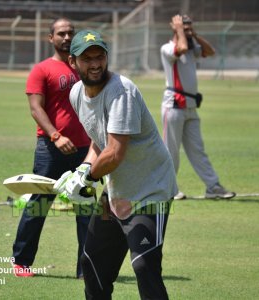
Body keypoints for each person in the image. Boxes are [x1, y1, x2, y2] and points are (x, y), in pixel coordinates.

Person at [55, 29, 178, 300]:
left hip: (150, 189)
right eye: (87, 59)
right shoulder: (77, 93)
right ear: (72, 62)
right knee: (92, 262)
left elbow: (115, 152)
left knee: (145, 265)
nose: (95, 63)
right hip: (117, 190)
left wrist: (86, 177)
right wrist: (83, 169)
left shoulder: (121, 92)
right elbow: (99, 140)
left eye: (100, 56)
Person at [11, 18, 91, 279]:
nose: (67, 37)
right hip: (51, 148)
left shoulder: (85, 67)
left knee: (86, 208)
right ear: (51, 38)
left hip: (85, 150)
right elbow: (36, 108)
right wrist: (56, 136)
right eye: (61, 34)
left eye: (70, 33)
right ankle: (21, 262)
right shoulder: (42, 69)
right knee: (39, 205)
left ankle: (87, 267)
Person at [160, 14, 236, 200]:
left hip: (191, 106)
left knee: (197, 150)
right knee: (171, 151)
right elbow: (182, 46)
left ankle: (213, 187)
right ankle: (169, 188)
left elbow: (210, 51)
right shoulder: (168, 48)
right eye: (183, 26)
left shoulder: (192, 47)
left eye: (188, 26)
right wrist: (179, 31)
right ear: (175, 28)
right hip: (174, 105)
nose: (186, 29)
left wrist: (194, 34)